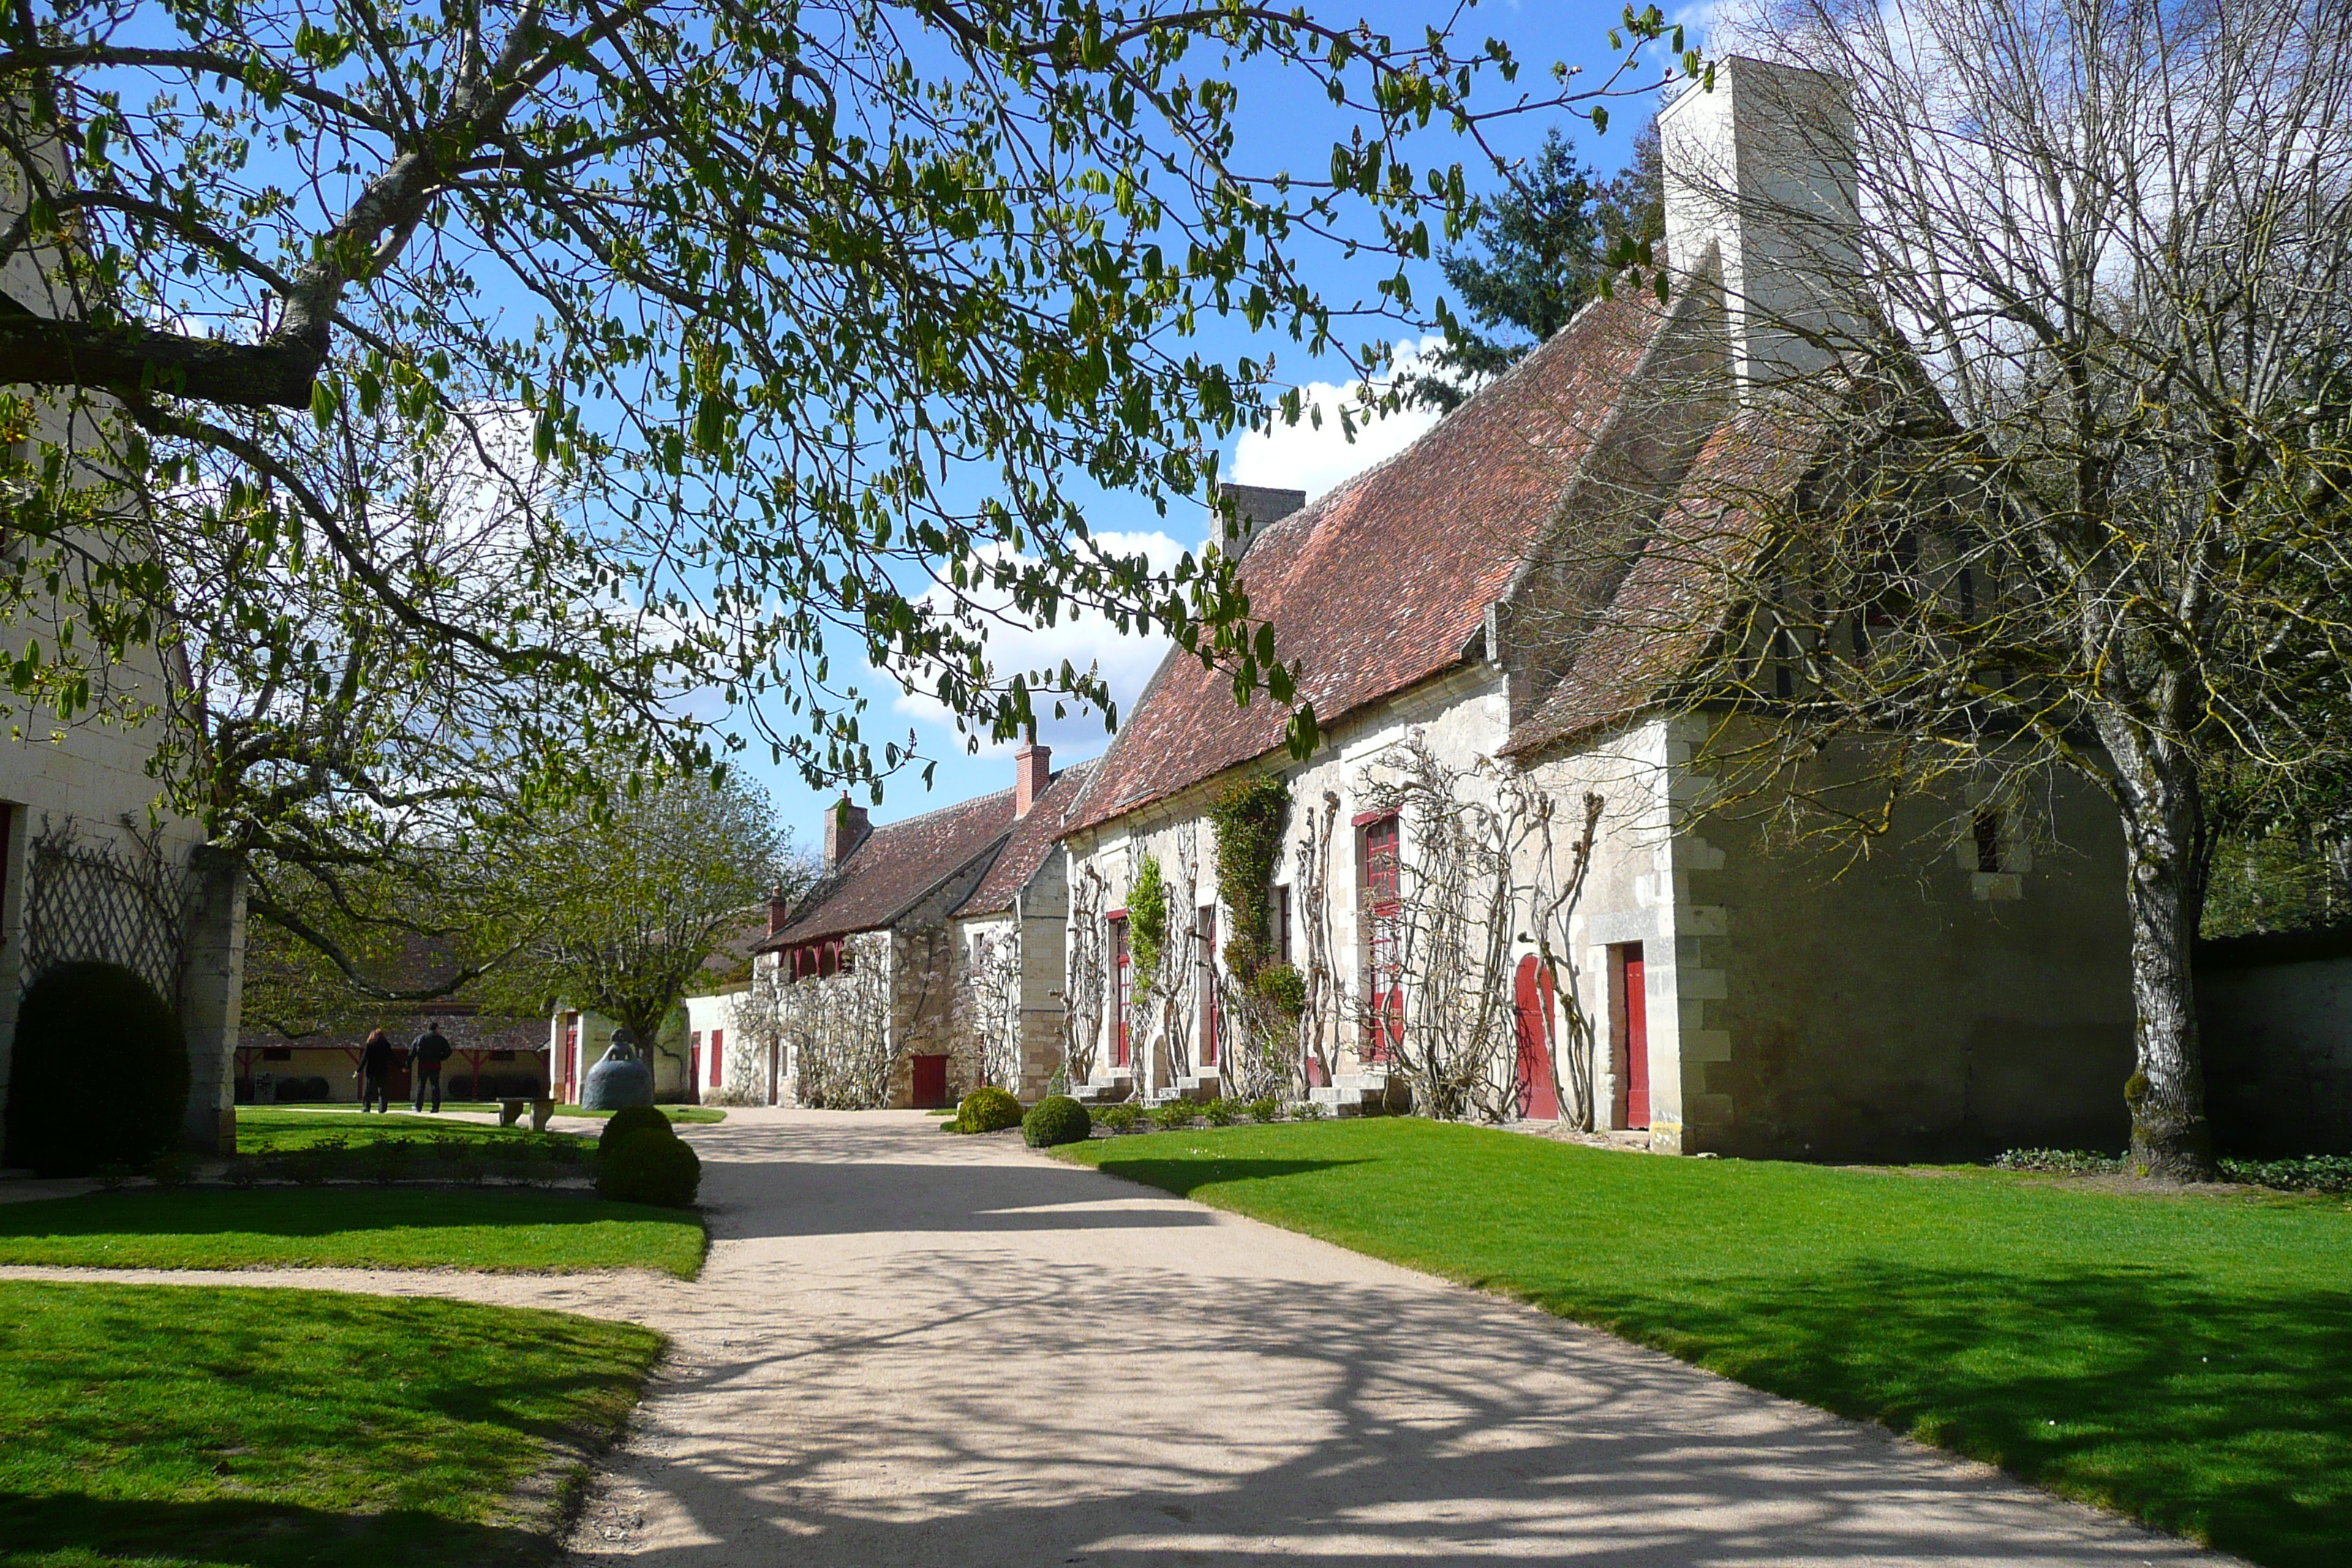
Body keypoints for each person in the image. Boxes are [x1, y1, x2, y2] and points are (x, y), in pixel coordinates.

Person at [410, 1019, 453, 1113]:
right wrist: (440, 1058)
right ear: (436, 1029)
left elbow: (413, 1051)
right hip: (435, 1064)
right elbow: (448, 1052)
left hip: (423, 1064)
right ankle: (435, 1107)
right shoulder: (441, 1039)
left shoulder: (421, 1038)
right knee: (435, 1085)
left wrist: (408, 1063)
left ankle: (418, 1106)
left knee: (421, 1085)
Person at [358, 1028, 396, 1112]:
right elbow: (392, 1057)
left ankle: (367, 1107)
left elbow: (364, 1059)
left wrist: (359, 1070)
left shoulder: (370, 1045)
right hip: (383, 1070)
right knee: (382, 1090)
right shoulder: (386, 1045)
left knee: (369, 1090)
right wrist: (402, 1067)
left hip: (372, 1070)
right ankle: (382, 1108)